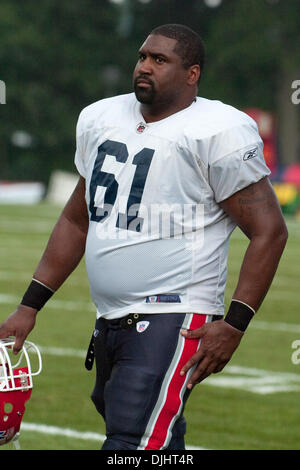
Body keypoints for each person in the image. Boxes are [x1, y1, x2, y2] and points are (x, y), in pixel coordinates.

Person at [0, 24, 288, 450]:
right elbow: (78, 220)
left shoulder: (217, 130)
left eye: (160, 60)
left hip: (177, 315)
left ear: (192, 74)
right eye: (142, 57)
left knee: (132, 442)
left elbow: (269, 231)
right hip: (110, 318)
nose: (144, 67)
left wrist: (234, 325)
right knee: (153, 437)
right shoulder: (101, 117)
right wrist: (29, 307)